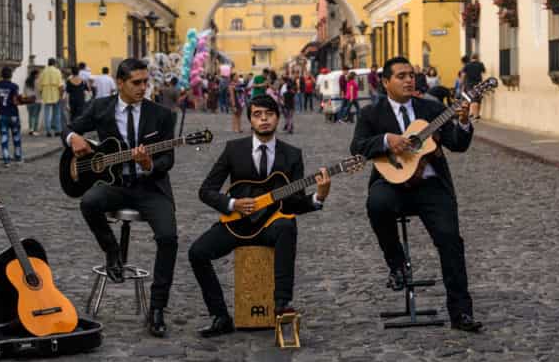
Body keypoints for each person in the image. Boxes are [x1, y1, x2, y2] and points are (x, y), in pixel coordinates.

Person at [350, 56, 482, 333]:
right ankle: (397, 265)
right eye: (401, 76)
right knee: (376, 204)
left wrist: (464, 122)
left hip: (431, 186)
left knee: (451, 241)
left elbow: (457, 145)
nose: (409, 80)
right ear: (386, 82)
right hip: (392, 183)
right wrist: (387, 140)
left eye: (411, 74)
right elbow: (358, 147)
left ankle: (461, 313)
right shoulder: (371, 114)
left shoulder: (432, 109)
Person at [189, 95, 331, 337]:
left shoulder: (292, 155)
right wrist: (232, 203)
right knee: (197, 253)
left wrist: (319, 196)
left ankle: (282, 303)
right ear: (250, 120)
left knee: (287, 224)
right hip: (236, 225)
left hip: (269, 226)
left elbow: (294, 204)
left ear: (278, 117)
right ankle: (220, 316)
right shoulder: (234, 150)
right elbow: (206, 191)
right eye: (257, 114)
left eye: (269, 114)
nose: (264, 119)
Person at [64, 58, 177, 337]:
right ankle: (112, 252)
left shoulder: (161, 114)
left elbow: (168, 159)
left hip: (150, 187)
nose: (142, 88)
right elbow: (70, 128)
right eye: (136, 83)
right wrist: (73, 139)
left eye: (145, 82)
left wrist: (150, 164)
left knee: (168, 238)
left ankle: (158, 308)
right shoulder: (101, 107)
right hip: (114, 185)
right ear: (120, 83)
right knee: (89, 202)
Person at [0, 67, 23, 167]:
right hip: (13, 115)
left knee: (4, 137)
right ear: (11, 75)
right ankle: (18, 158)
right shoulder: (14, 86)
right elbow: (15, 101)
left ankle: (6, 160)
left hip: (2, 115)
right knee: (16, 137)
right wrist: (22, 101)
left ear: (2, 75)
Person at [37, 58, 64, 137]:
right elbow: (60, 85)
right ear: (54, 63)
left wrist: (42, 93)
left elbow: (40, 86)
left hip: (46, 94)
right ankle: (57, 130)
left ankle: (48, 131)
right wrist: (61, 95)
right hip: (56, 94)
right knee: (57, 113)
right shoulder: (57, 71)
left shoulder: (43, 72)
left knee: (47, 114)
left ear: (48, 63)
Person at [462, 54, 486, 119]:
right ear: (478, 58)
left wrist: (463, 83)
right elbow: (484, 72)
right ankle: (477, 114)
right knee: (478, 99)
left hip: (469, 84)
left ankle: (472, 113)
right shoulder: (480, 64)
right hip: (479, 84)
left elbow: (463, 75)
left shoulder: (467, 65)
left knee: (472, 99)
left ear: (471, 58)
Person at [23, 69, 41, 136]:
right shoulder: (38, 81)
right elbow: (40, 91)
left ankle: (31, 129)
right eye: (38, 74)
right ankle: (35, 130)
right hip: (37, 100)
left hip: (28, 100)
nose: (39, 75)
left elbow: (24, 90)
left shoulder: (27, 81)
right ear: (35, 74)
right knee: (36, 116)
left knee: (30, 115)